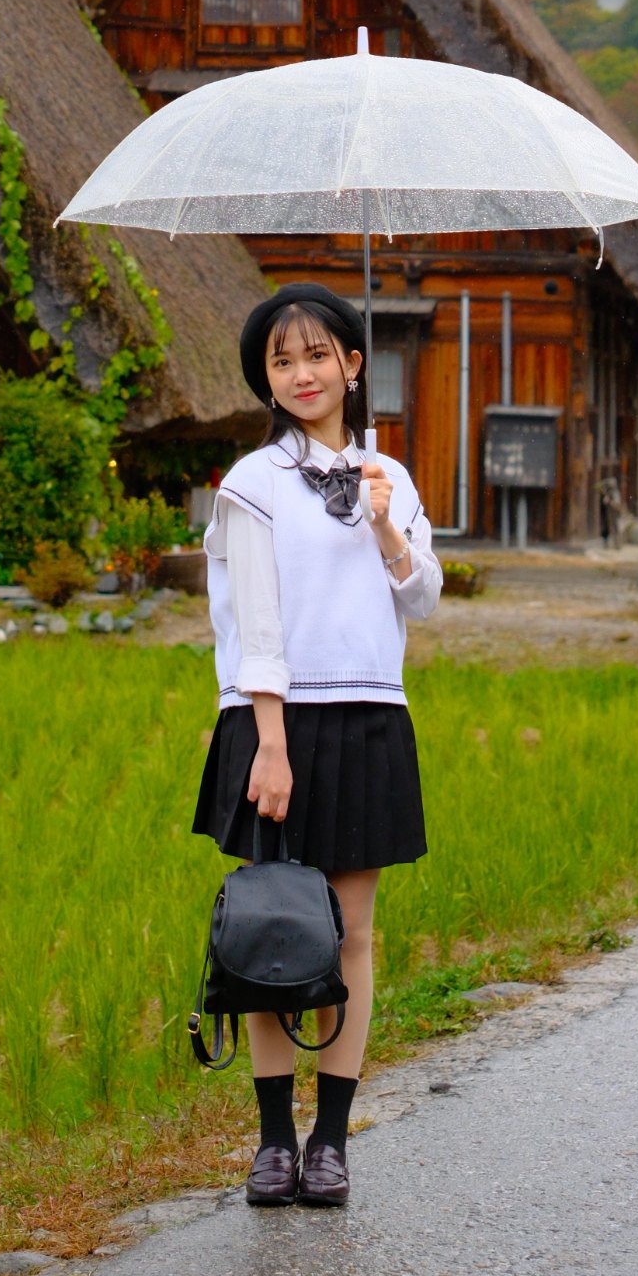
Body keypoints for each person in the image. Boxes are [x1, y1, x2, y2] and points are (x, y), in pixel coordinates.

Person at [195, 284, 443, 1211]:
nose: (301, 374)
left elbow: (423, 598)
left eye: (316, 356)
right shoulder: (251, 483)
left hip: (369, 713)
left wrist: (383, 524)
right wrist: (270, 743)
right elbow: (253, 622)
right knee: (274, 930)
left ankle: (331, 1144)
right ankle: (272, 1143)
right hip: (277, 720)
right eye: (281, 361)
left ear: (352, 364)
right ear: (267, 379)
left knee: (353, 934)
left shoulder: (392, 479)